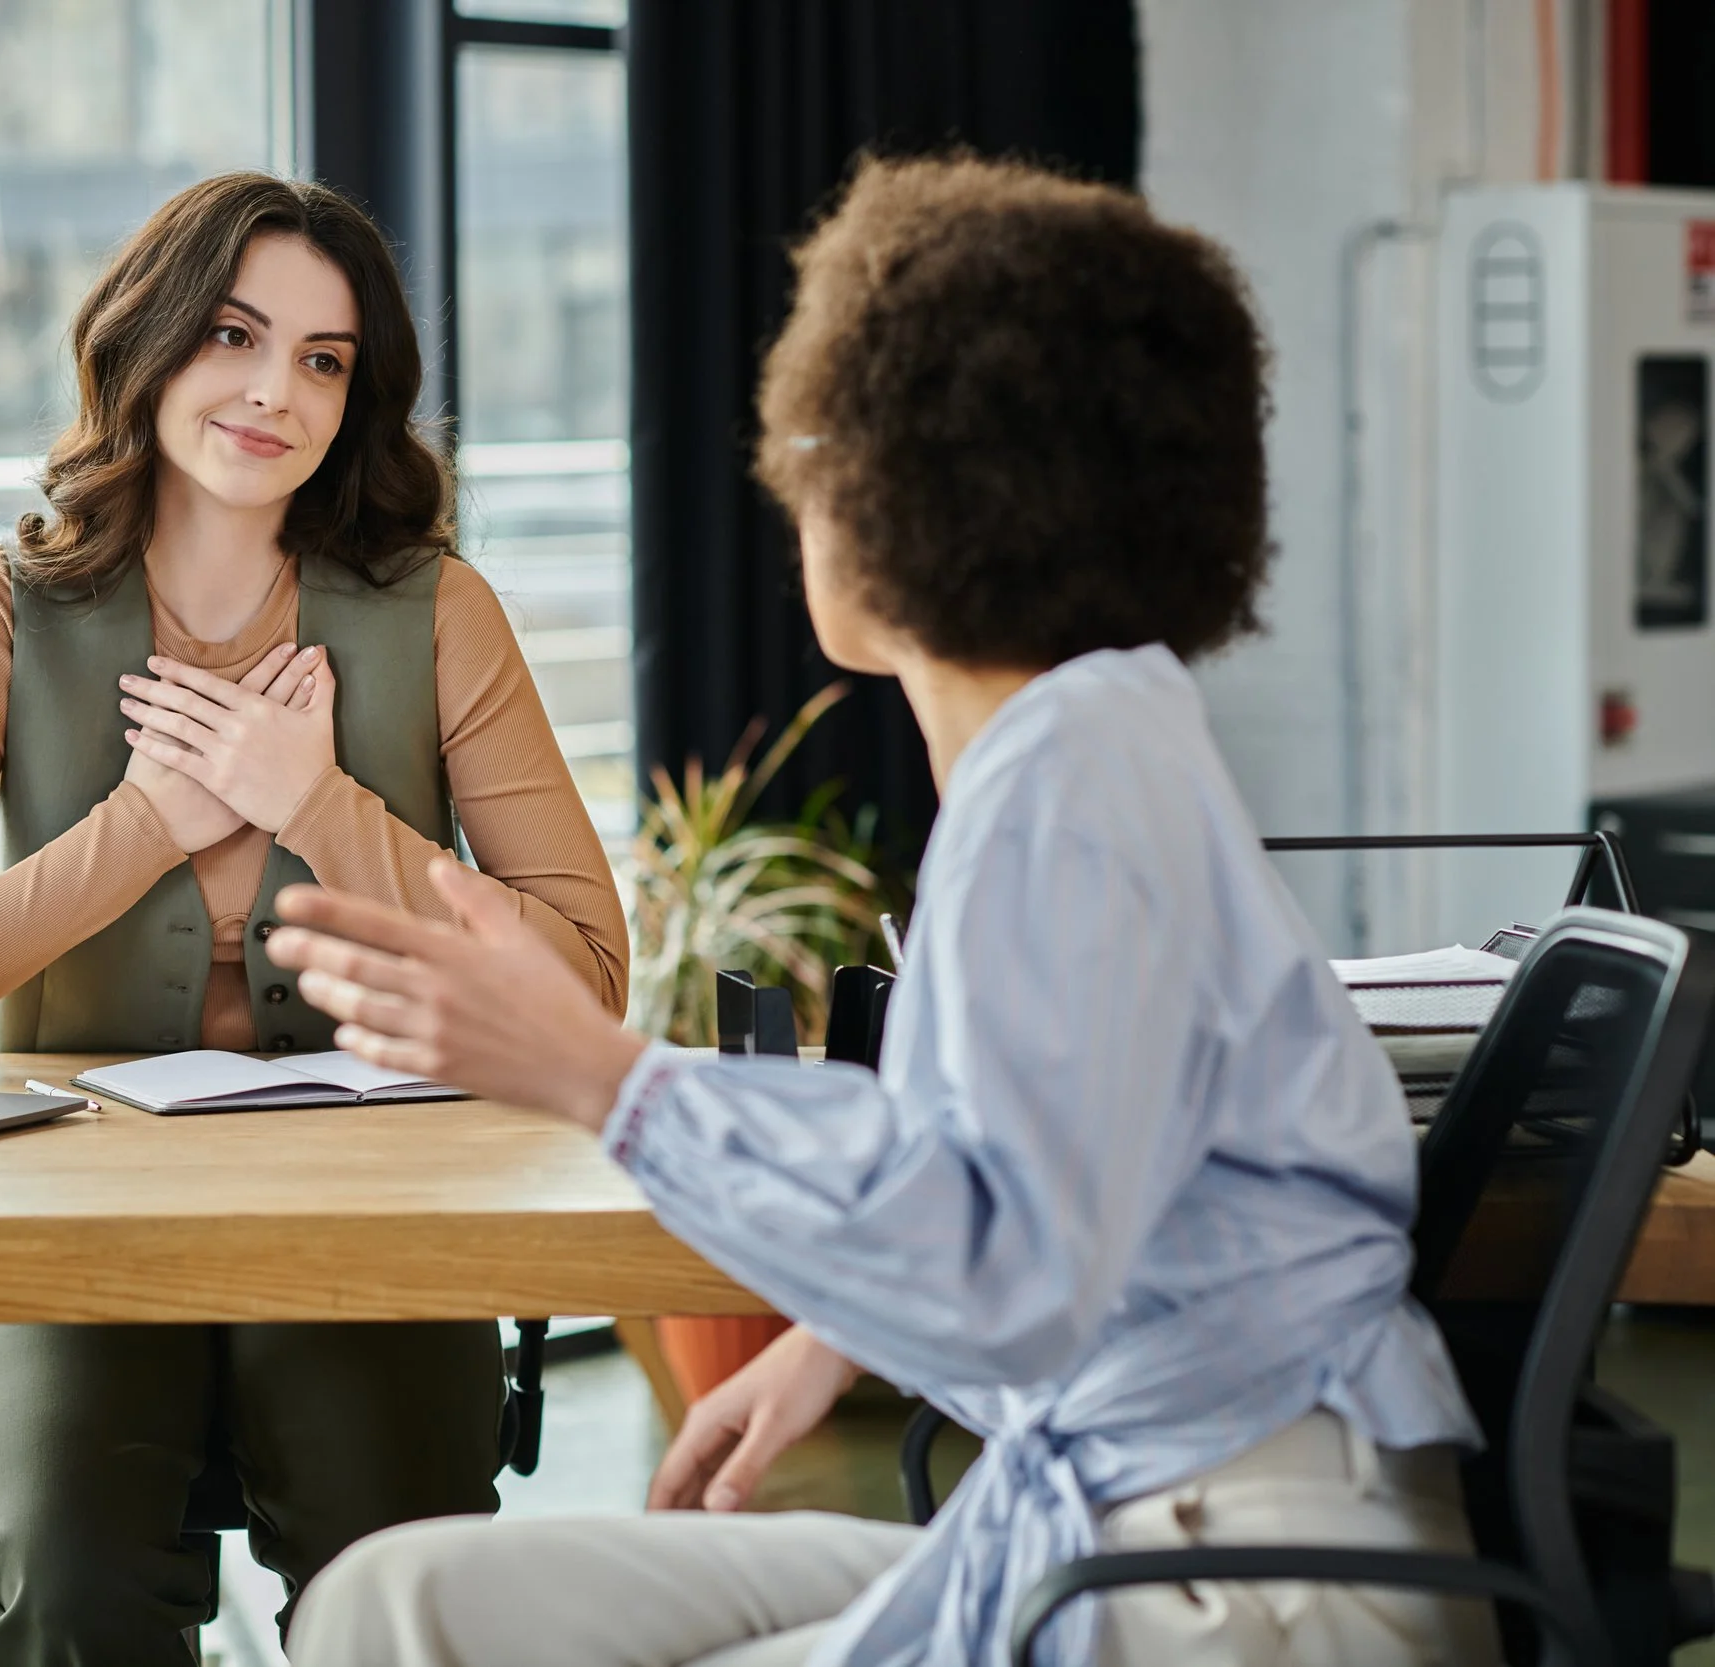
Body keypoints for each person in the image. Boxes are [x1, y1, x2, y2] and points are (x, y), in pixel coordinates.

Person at [263, 156, 1499, 1667]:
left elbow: (1013, 1277)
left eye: (811, 446)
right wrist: (827, 1344)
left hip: (1224, 1575)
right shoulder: (1090, 739)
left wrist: (597, 1072)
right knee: (398, 1602)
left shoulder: (1071, 776)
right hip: (1130, 1513)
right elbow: (1063, 1178)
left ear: (915, 482)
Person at [0, 172, 627, 1663]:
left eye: (324, 360)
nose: (276, 391)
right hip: (63, 1218)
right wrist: (144, 830)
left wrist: (316, 802)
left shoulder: (439, 611)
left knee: (401, 1567)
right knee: (68, 1567)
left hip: (370, 1206)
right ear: (151, 343)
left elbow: (584, 972)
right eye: (237, 337)